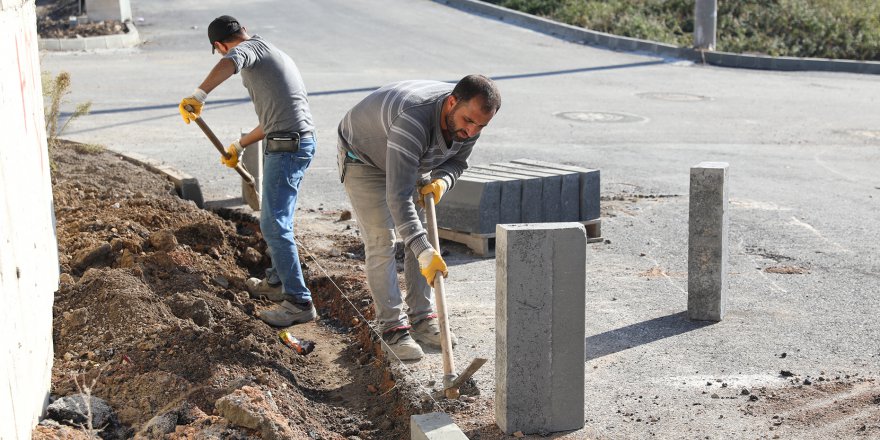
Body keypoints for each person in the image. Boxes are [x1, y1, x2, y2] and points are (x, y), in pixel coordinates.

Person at [337, 75, 501, 360]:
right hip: (363, 157)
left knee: (421, 235)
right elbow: (398, 197)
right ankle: (392, 329)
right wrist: (424, 251)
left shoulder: (468, 122)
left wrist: (442, 182)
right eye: (468, 121)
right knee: (382, 240)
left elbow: (457, 162)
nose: (471, 131)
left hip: (412, 159)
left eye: (480, 126)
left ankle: (422, 319)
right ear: (452, 102)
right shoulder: (413, 121)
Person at [179, 15, 317, 327]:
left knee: (273, 224)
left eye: (220, 51)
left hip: (288, 146)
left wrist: (199, 95)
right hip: (290, 140)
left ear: (219, 45)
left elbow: (234, 58)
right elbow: (273, 119)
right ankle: (276, 281)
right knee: (275, 218)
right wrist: (239, 145)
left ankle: (298, 302)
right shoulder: (271, 52)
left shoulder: (249, 50)